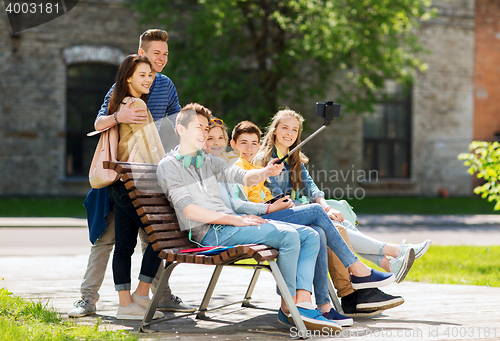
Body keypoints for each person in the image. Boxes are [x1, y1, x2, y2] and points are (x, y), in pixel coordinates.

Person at [157, 103, 352, 331]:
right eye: (197, 128)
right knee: (289, 236)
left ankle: (303, 301)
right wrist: (236, 219)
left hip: (232, 226)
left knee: (310, 235)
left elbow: (244, 176)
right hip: (212, 233)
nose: (203, 133)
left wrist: (267, 171)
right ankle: (289, 307)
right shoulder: (169, 166)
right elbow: (189, 211)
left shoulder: (206, 160)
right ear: (181, 129)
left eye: (205, 127)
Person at [209, 120, 396, 326]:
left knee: (319, 231)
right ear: (233, 144)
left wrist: (274, 203)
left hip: (268, 214)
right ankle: (359, 270)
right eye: (243, 143)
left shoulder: (254, 165)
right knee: (316, 213)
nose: (249, 148)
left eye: (254, 143)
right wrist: (270, 207)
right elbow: (238, 205)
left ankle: (324, 306)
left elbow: (281, 191)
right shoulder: (239, 167)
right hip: (258, 220)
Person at [255, 109, 432, 314]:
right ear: (274, 129)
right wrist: (315, 210)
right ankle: (386, 260)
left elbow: (311, 187)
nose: (289, 133)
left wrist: (326, 207)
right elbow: (276, 198)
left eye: (295, 130)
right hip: (279, 217)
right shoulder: (265, 159)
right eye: (285, 128)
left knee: (341, 226)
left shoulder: (293, 157)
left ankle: (380, 269)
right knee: (335, 229)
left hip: (299, 213)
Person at [69, 29, 193, 319]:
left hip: (152, 173)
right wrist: (118, 117)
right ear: (141, 54)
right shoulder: (120, 89)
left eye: (165, 54)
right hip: (120, 176)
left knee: (153, 239)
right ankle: (88, 299)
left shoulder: (166, 86)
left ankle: (159, 296)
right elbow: (99, 122)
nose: (160, 60)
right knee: (108, 240)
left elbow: (176, 125)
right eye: (155, 54)